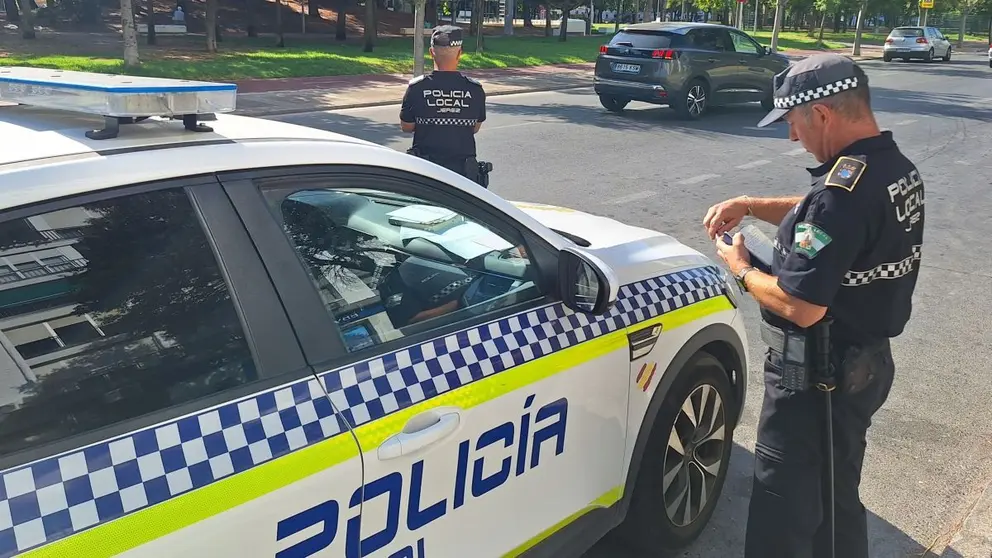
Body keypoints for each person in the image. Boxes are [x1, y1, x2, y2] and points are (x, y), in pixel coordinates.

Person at [702, 54, 925, 558]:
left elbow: (800, 306)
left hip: (815, 381)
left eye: (794, 123)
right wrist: (753, 203)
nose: (792, 137)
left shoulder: (840, 194)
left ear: (821, 114)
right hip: (864, 365)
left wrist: (740, 267)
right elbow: (826, 210)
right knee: (836, 496)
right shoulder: (892, 168)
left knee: (783, 510)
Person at [399, 25, 489, 186]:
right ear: (460, 53)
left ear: (431, 52)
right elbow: (474, 127)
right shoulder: (475, 90)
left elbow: (406, 126)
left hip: (426, 173)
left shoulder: (416, 88)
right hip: (464, 176)